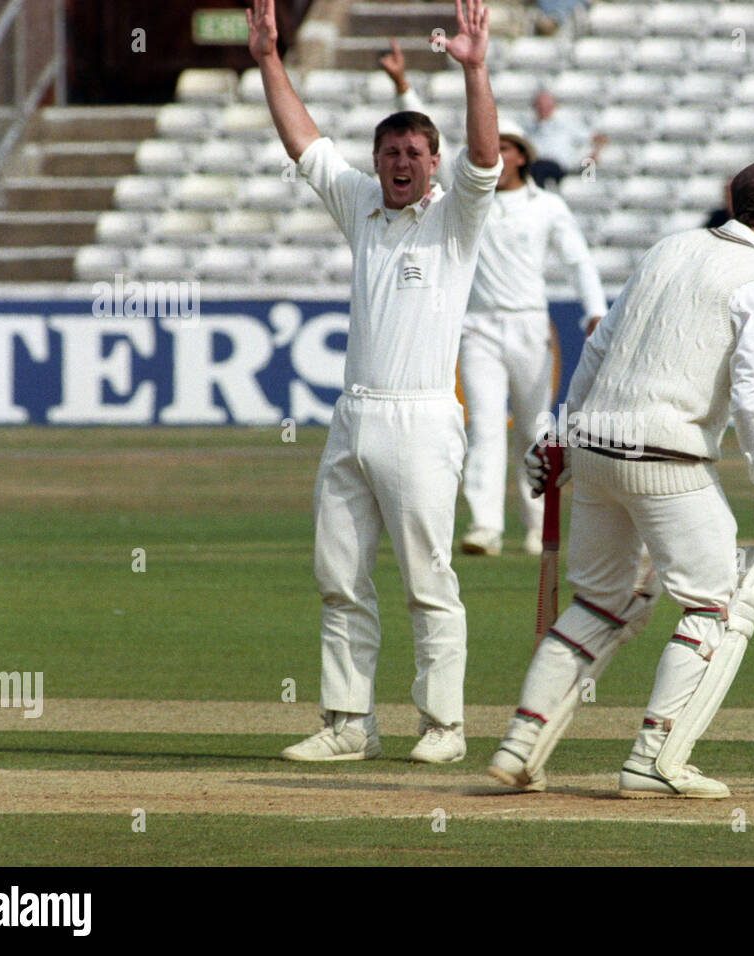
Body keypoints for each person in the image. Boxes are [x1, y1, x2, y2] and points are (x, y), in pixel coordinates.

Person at [486, 158, 754, 798]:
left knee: (597, 603)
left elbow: (595, 348)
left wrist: (563, 435)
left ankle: (518, 746)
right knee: (715, 603)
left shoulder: (669, 248)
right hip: (663, 457)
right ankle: (653, 759)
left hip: (594, 449)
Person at [246, 0, 502, 764]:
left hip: (424, 419)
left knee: (429, 578)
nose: (399, 163)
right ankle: (349, 722)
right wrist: (267, 58)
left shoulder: (454, 218)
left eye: (414, 153)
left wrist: (476, 70)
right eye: (388, 151)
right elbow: (305, 143)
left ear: (433, 162)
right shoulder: (360, 205)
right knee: (339, 576)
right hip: (354, 416)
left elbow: (485, 156)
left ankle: (445, 728)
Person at [374, 47, 607, 558]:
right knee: (483, 425)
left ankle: (537, 523)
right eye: (492, 148)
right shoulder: (464, 198)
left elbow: (579, 260)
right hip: (477, 327)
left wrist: (595, 310)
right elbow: (421, 135)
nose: (495, 156)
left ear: (521, 156)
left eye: (505, 149)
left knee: (534, 428)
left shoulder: (547, 206)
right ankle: (484, 526)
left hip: (530, 328)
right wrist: (401, 84)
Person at [523, 91, 606, 189]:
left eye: (546, 105)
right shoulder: (528, 128)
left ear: (554, 106)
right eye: (539, 106)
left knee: (539, 168)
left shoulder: (566, 125)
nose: (542, 109)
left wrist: (594, 154)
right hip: (534, 165)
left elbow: (599, 138)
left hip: (556, 167)